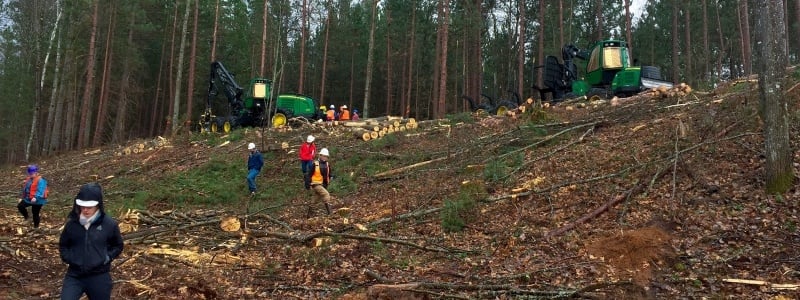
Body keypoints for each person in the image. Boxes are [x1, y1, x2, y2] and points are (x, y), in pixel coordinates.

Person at [59, 183, 124, 300]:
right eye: (82, 206)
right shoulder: (72, 224)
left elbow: (118, 245)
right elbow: (63, 244)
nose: (85, 210)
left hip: (99, 276)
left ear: (98, 205)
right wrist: (69, 258)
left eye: (89, 207)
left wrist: (106, 257)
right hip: (75, 275)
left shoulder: (109, 224)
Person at [304, 148, 333, 215]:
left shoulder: (327, 164)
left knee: (315, 199)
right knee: (326, 195)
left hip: (323, 184)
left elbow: (329, 173)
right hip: (315, 184)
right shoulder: (315, 164)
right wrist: (307, 183)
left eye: (326, 156)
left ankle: (309, 215)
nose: (324, 157)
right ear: (320, 155)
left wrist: (331, 176)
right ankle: (330, 213)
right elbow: (309, 174)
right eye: (323, 156)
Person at [18, 164, 49, 228]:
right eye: (29, 173)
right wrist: (22, 198)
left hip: (39, 200)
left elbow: (41, 190)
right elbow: (25, 189)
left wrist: (36, 197)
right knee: (20, 206)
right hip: (29, 198)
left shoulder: (41, 180)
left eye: (32, 173)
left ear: (36, 172)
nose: (30, 175)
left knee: (35, 213)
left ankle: (36, 227)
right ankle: (27, 218)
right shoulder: (29, 179)